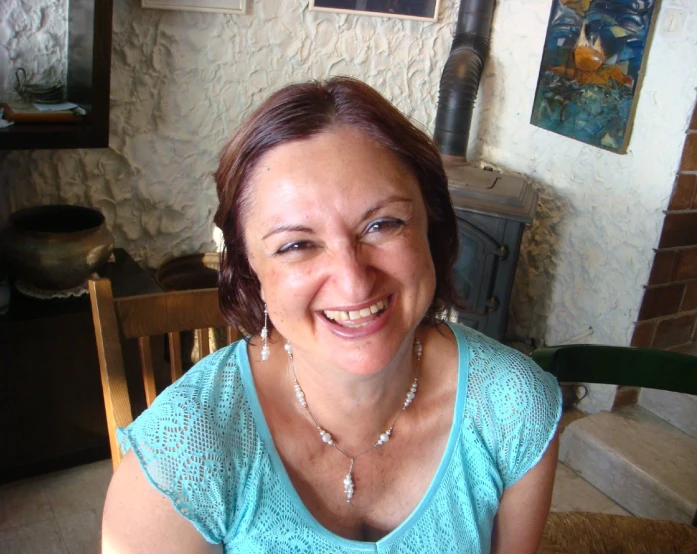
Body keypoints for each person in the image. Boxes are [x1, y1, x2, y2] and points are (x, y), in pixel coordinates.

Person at [101, 77, 562, 553]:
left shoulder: (513, 408)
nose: (353, 281)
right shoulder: (181, 459)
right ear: (249, 269)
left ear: (433, 227)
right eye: (297, 244)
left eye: (383, 224)